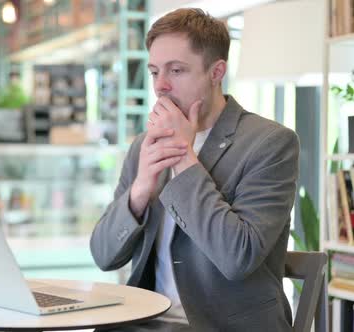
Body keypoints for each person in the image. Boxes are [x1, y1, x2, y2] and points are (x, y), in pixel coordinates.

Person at [90, 8, 299, 331]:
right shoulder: (144, 146)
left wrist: (185, 159)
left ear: (216, 72)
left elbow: (237, 257)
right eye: (155, 71)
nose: (161, 86)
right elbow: (103, 255)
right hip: (146, 322)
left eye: (176, 70)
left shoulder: (271, 144)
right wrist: (141, 190)